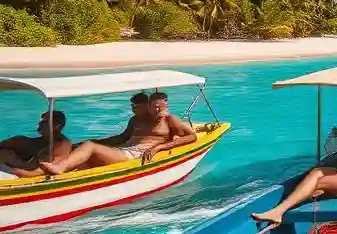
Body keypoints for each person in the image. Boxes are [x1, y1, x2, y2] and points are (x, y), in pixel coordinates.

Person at [41, 91, 196, 174]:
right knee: (86, 152)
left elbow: (192, 136)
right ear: (148, 105)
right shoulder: (136, 120)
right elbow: (122, 138)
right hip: (122, 152)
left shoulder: (169, 120)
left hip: (135, 156)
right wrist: (97, 142)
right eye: (154, 107)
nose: (157, 110)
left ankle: (60, 167)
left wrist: (159, 147)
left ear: (165, 106)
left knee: (89, 146)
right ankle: (55, 175)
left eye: (160, 107)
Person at [0, 111, 72, 178]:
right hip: (19, 167)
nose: (38, 125)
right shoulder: (32, 141)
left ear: (57, 126)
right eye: (40, 122)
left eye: (44, 122)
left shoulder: (61, 145)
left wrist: (15, 172)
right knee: (17, 141)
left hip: (26, 175)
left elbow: (44, 171)